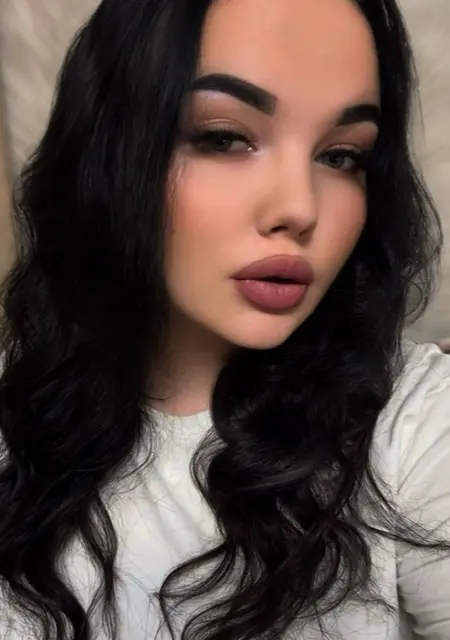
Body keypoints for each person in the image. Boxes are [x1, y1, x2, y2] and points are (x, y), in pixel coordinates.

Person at [0, 0, 449, 638]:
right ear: (107, 151)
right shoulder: (17, 414)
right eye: (223, 137)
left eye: (342, 155)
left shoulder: (413, 421)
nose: (300, 209)